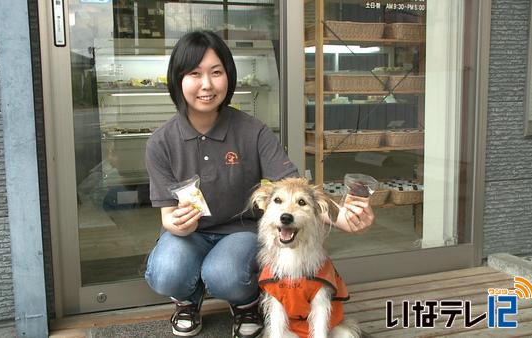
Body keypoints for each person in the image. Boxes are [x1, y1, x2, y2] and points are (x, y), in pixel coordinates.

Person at [144, 30, 374, 338]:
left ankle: (246, 304)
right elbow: (166, 215)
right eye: (194, 74)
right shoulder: (161, 141)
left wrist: (343, 217)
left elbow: (294, 186)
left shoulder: (252, 130)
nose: (207, 85)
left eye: (216, 72)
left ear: (229, 75)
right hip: (189, 236)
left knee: (224, 273)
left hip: (237, 232)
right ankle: (187, 299)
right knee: (166, 271)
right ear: (177, 79)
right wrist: (175, 223)